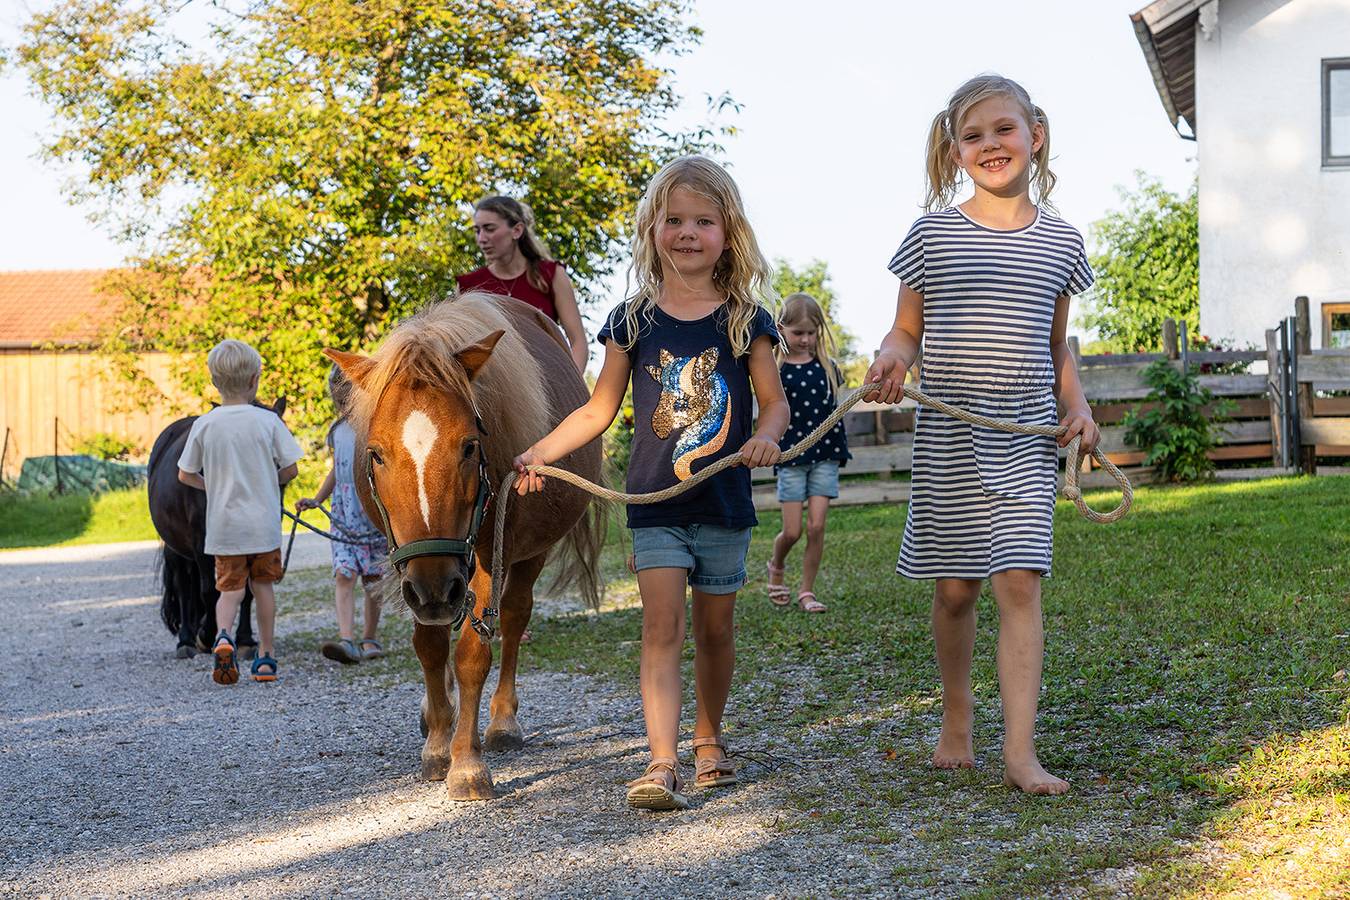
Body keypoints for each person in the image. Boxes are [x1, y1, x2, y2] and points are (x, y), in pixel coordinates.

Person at [511, 155, 789, 810]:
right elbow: (595, 409)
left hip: (723, 503)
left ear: (728, 233)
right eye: (674, 220)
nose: (687, 232)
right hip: (655, 505)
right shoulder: (632, 321)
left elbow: (773, 402)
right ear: (652, 228)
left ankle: (709, 739)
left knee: (715, 631)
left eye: (703, 221)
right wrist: (540, 451)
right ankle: (662, 759)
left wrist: (768, 436)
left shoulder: (748, 320)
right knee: (661, 626)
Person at [864, 75, 1100, 795]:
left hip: (1026, 435)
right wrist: (892, 358)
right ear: (955, 150)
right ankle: (957, 716)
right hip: (951, 437)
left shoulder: (1062, 242)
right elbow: (908, 328)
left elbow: (1058, 346)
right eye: (973, 135)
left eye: (1004, 128)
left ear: (1036, 134)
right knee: (958, 590)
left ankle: (1020, 752)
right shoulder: (932, 234)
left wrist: (1079, 406)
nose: (990, 144)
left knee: (1019, 583)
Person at [177, 339, 303, 685]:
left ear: (215, 382)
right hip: (262, 527)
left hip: (224, 527)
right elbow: (291, 469)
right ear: (254, 381)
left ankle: (222, 636)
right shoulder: (268, 422)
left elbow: (185, 473)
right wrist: (268, 478)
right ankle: (264, 656)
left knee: (229, 590)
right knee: (262, 588)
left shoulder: (205, 423)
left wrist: (213, 487)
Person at [295, 365, 389, 665]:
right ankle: (347, 639)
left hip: (371, 511)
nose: (343, 399)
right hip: (344, 514)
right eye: (338, 394)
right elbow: (337, 470)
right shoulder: (336, 432)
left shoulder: (376, 426)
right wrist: (317, 499)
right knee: (344, 574)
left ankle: (369, 637)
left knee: (374, 580)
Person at [766, 293, 852, 614]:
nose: (805, 339)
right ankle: (776, 565)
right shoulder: (774, 371)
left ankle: (807, 590)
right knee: (793, 530)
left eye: (811, 333)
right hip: (791, 458)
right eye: (797, 333)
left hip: (825, 455)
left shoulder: (828, 368)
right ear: (782, 331)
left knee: (817, 527)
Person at [457, 195, 589, 374]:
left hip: (548, 384)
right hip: (494, 388)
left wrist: (572, 385)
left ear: (517, 230)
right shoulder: (468, 286)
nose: (481, 238)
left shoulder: (551, 274)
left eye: (489, 229)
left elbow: (578, 341)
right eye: (477, 230)